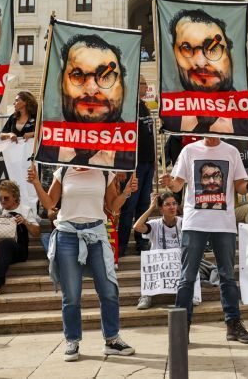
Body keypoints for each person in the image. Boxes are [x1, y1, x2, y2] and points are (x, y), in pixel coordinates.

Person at [27, 161, 135, 362]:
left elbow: (112, 206)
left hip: (97, 233)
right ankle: (72, 340)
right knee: (72, 295)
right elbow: (50, 203)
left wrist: (126, 192)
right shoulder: (64, 170)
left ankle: (112, 339)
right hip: (67, 235)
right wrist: (35, 183)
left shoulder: (104, 172)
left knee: (109, 290)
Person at [159, 136, 248, 344]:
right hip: (194, 223)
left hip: (223, 223)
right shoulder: (189, 150)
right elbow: (178, 186)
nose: (213, 181)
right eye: (207, 178)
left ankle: (233, 324)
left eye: (217, 176)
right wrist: (170, 182)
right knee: (187, 277)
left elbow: (240, 186)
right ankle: (181, 329)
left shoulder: (231, 151)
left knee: (227, 276)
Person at [49, 34, 129, 168]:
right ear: (61, 84)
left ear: (123, 87)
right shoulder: (49, 147)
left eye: (106, 76)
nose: (91, 90)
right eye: (77, 75)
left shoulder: (131, 152)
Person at [166, 9, 248, 135]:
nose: (200, 62)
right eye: (186, 48)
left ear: (229, 54)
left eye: (212, 48)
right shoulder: (170, 121)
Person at [117, 76, 156, 257]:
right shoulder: (127, 109)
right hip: (134, 164)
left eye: (146, 83)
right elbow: (122, 139)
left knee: (143, 204)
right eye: (142, 83)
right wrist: (123, 167)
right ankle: (122, 243)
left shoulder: (144, 107)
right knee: (129, 206)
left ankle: (141, 241)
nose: (146, 86)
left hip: (148, 162)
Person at [133, 191, 184, 310]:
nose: (172, 207)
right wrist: (151, 208)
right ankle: (147, 295)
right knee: (148, 263)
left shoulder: (184, 223)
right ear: (161, 209)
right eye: (167, 204)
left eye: (174, 203)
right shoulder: (155, 225)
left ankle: (191, 294)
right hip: (159, 265)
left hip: (178, 264)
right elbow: (137, 227)